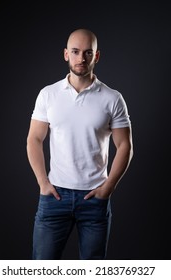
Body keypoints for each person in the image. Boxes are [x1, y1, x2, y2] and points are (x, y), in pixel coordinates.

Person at [26, 28, 133, 260]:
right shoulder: (48, 94)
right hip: (54, 196)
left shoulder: (113, 98)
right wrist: (43, 183)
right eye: (75, 52)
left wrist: (109, 187)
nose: (81, 58)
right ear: (66, 54)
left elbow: (125, 145)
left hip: (94, 198)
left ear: (96, 56)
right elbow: (34, 139)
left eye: (87, 52)